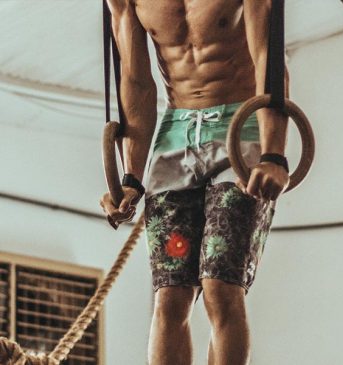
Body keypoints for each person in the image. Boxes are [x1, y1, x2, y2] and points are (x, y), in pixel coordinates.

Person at [100, 0, 290, 364]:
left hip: (241, 130)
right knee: (169, 295)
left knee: (220, 287)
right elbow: (136, 82)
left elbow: (269, 57)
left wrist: (273, 154)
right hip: (175, 138)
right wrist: (131, 179)